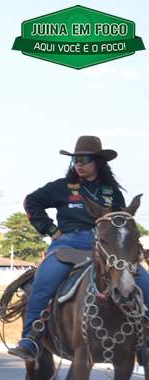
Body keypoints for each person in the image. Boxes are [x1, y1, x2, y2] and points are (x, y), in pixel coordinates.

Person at [8, 136, 149, 360]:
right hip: (70, 244)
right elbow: (31, 201)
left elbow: (121, 222)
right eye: (75, 160)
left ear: (97, 162)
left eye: (84, 160)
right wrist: (51, 230)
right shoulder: (62, 187)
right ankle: (30, 338)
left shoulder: (111, 191)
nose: (78, 165)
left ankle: (143, 341)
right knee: (44, 280)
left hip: (107, 247)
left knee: (144, 281)